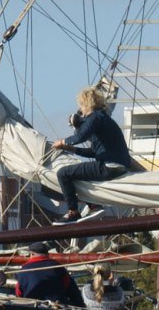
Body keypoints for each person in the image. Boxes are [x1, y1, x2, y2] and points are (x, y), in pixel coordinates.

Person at [50, 87, 136, 222]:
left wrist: (62, 141)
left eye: (81, 106)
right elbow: (94, 152)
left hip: (109, 166)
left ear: (86, 104)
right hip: (119, 165)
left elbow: (80, 137)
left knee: (63, 173)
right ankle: (94, 205)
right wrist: (72, 150)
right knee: (79, 172)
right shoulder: (104, 119)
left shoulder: (95, 117)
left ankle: (73, 212)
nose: (81, 110)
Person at [14, 242, 85, 307]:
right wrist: (81, 306)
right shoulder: (57, 267)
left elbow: (19, 293)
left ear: (32, 254)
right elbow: (72, 290)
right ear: (47, 254)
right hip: (57, 309)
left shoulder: (24, 270)